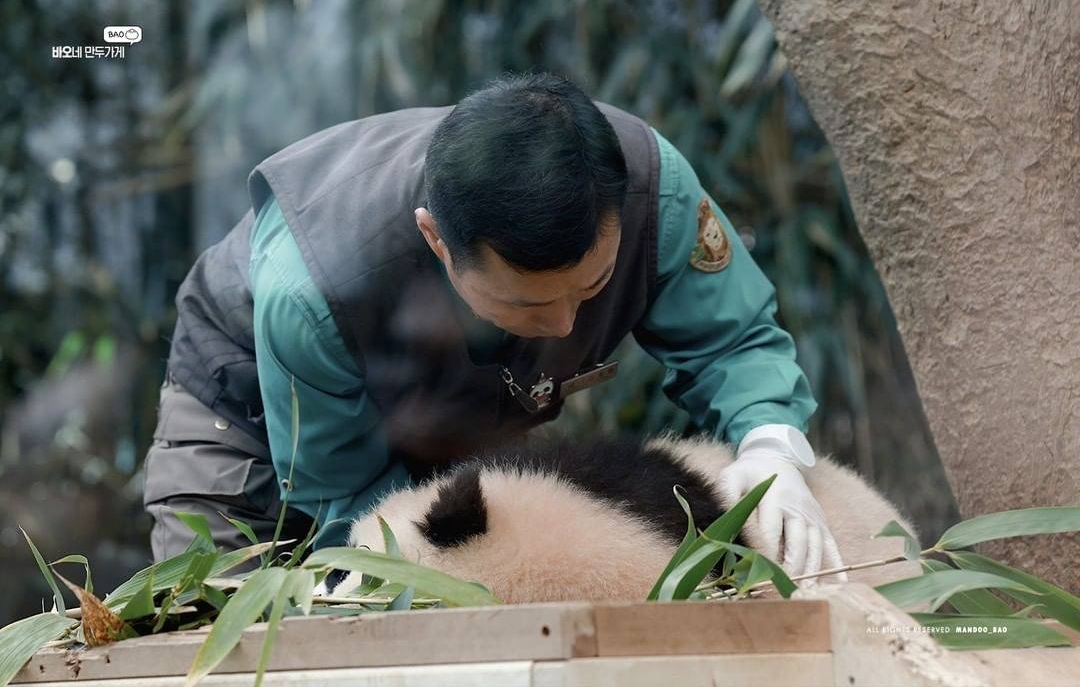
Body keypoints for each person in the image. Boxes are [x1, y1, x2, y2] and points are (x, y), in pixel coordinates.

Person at [142, 72, 846, 582]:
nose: (567, 323)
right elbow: (344, 506)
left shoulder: (653, 191)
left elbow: (732, 339)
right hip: (251, 423)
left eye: (593, 287)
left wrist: (769, 441)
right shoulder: (313, 285)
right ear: (437, 241)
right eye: (529, 308)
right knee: (224, 626)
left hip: (443, 420)